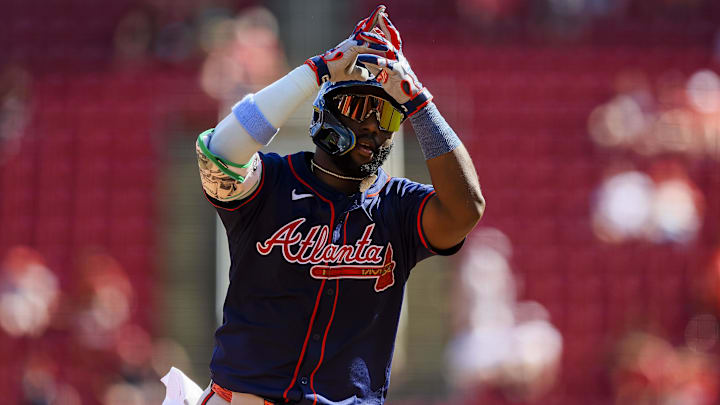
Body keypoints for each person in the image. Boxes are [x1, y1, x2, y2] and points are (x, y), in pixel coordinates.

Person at [194, 5, 485, 405]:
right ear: (323, 113)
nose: (371, 124)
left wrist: (418, 101)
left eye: (384, 113)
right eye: (357, 108)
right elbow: (218, 154)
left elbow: (465, 210)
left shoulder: (396, 206)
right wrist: (316, 71)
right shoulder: (272, 183)